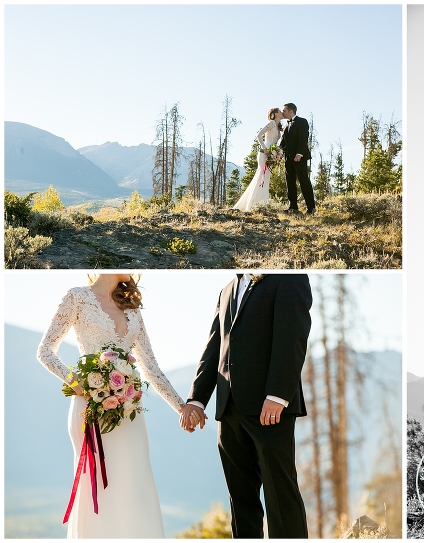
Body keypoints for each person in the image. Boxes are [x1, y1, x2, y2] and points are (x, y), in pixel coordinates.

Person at [37, 274, 187, 538]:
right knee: (98, 488)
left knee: (134, 483)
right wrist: (79, 383)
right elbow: (46, 351)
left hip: (129, 412)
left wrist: (182, 407)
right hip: (90, 407)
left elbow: (150, 367)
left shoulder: (132, 305)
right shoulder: (77, 297)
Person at [180, 273, 311, 538]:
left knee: (280, 498)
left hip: (270, 408)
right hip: (228, 409)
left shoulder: (288, 278)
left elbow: (293, 335)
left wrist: (277, 395)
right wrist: (196, 399)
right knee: (240, 502)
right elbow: (215, 345)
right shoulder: (226, 290)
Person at [233, 108, 284, 211]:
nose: (281, 112)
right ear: (274, 114)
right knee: (261, 176)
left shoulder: (278, 127)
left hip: (272, 152)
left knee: (266, 178)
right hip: (264, 152)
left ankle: (262, 203)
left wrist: (277, 152)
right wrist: (265, 149)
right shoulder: (271, 123)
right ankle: (252, 204)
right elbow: (259, 135)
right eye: (279, 111)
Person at [279, 103, 316, 214]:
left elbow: (303, 138)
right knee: (290, 182)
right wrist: (277, 152)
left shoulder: (302, 122)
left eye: (284, 110)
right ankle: (293, 207)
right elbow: (283, 143)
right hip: (288, 159)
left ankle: (311, 207)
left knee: (304, 181)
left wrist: (299, 154)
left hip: (299, 157)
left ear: (291, 111)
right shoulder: (286, 126)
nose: (283, 112)